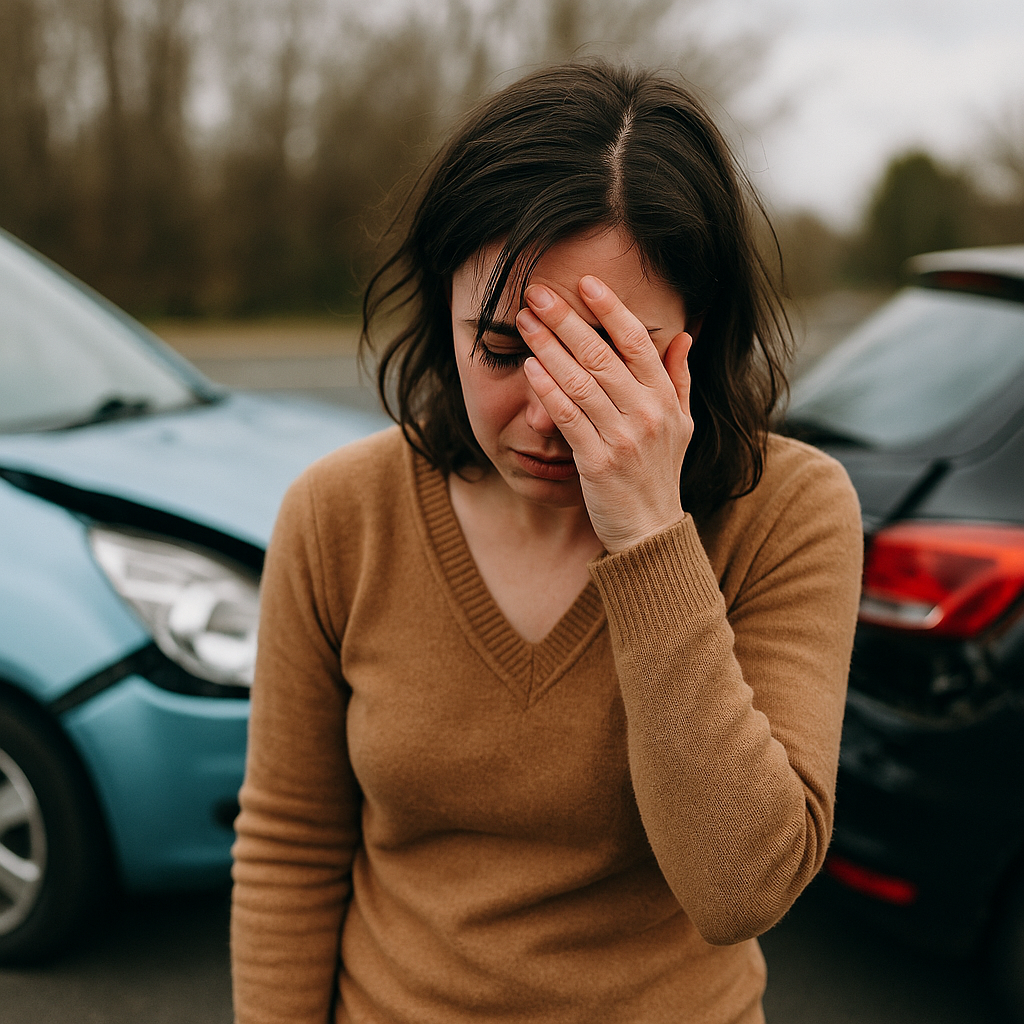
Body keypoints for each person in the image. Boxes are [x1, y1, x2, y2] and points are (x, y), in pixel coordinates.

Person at [230, 62, 863, 1024]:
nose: (548, 413)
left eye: (610, 360)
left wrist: (649, 536)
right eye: (502, 346)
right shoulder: (339, 514)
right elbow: (292, 840)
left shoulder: (791, 512)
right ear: (442, 313)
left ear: (699, 334)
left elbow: (741, 889)